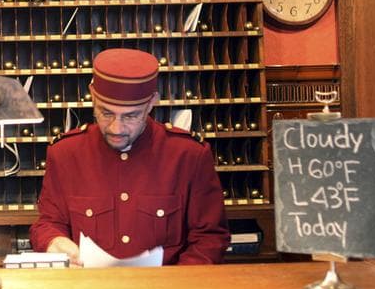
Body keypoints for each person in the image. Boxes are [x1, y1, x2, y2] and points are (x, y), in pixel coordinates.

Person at [29, 48, 230, 265]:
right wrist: (54, 241)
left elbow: (209, 237)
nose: (116, 128)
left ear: (152, 102)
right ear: (93, 95)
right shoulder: (65, 153)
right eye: (106, 113)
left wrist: (177, 286)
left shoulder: (189, 155)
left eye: (131, 116)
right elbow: (48, 223)